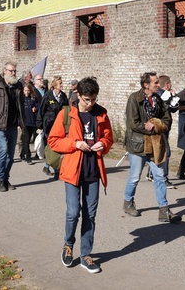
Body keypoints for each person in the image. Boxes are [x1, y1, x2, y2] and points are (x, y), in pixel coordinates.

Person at [48, 77, 113, 274]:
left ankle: (86, 254)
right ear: (78, 95)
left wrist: (103, 144)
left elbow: (109, 137)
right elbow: (53, 141)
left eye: (94, 99)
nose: (91, 103)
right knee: (73, 212)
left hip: (93, 171)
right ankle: (68, 245)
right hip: (72, 171)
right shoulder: (67, 113)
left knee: (90, 215)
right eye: (87, 99)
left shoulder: (101, 114)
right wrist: (75, 144)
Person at [122, 72, 181, 223]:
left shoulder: (160, 99)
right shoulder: (134, 99)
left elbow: (167, 119)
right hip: (138, 144)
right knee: (135, 177)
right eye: (155, 83)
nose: (158, 85)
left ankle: (164, 210)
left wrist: (157, 125)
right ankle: (128, 202)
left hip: (156, 143)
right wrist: (146, 126)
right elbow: (132, 123)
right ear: (146, 85)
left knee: (160, 176)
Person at [0, 62, 24, 192]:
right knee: (3, 150)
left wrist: (21, 122)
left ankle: (6, 179)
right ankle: (0, 179)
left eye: (15, 71)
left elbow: (21, 105)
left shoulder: (18, 86)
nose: (13, 73)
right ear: (4, 71)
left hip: (13, 125)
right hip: (0, 125)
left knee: (11, 155)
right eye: (11, 71)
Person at [146, 75, 179, 188]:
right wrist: (169, 96)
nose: (156, 86)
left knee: (157, 150)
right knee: (166, 152)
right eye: (155, 83)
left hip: (165, 126)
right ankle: (163, 178)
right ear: (167, 84)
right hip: (159, 127)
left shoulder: (166, 94)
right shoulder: (159, 94)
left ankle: (151, 174)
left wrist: (174, 96)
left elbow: (174, 108)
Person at [37, 76, 69, 177]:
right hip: (49, 125)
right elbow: (41, 110)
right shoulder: (48, 96)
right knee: (51, 147)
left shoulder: (63, 96)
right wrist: (39, 125)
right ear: (55, 85)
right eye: (60, 83)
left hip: (60, 125)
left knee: (58, 146)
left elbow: (67, 110)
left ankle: (49, 167)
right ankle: (53, 169)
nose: (62, 85)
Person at [20, 83, 38, 164]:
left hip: (32, 122)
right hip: (24, 122)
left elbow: (38, 105)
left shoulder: (33, 98)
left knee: (26, 140)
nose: (26, 92)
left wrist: (36, 108)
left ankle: (22, 154)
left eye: (28, 90)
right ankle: (28, 157)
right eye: (25, 90)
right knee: (26, 140)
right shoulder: (21, 99)